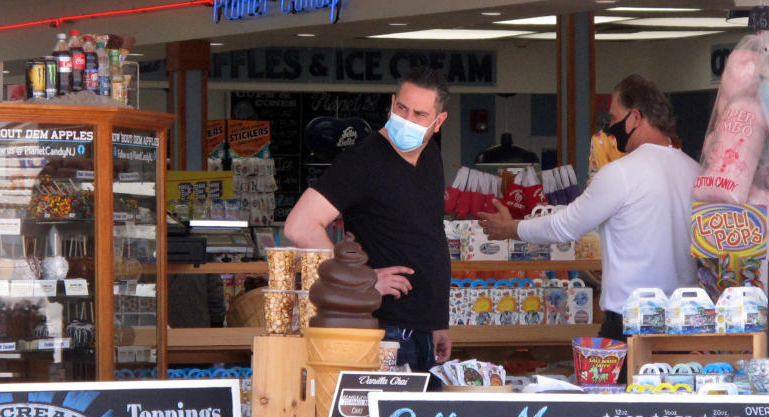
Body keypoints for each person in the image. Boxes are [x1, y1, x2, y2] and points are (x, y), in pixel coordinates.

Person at [478, 74, 698, 341]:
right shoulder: (695, 171)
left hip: (630, 321)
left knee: (618, 384)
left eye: (615, 119)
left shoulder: (621, 173)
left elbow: (566, 226)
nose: (609, 129)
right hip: (688, 321)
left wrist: (512, 228)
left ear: (636, 118)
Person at [283, 65, 453, 370]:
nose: (408, 120)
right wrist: (359, 281)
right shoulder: (363, 161)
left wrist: (438, 320)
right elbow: (300, 225)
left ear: (438, 122)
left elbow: (427, 235)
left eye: (420, 115)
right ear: (391, 103)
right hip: (383, 328)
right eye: (402, 108)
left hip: (425, 328)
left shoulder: (431, 157)